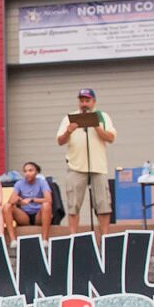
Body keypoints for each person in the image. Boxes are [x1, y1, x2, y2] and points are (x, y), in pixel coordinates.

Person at [55, 87, 117, 239]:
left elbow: (110, 138)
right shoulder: (69, 118)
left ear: (94, 102)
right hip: (76, 166)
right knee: (73, 205)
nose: (84, 104)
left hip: (98, 166)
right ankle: (73, 237)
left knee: (103, 205)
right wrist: (69, 131)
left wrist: (95, 125)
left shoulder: (102, 116)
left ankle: (105, 238)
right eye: (81, 100)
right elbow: (60, 141)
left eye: (87, 100)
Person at [7, 161, 52, 242]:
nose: (27, 173)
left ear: (36, 172)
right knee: (7, 207)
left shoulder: (42, 182)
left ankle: (44, 239)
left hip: (39, 215)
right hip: (24, 216)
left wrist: (32, 199)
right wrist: (18, 199)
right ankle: (13, 240)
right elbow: (10, 201)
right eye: (25, 171)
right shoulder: (19, 183)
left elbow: (49, 199)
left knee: (46, 205)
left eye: (30, 170)